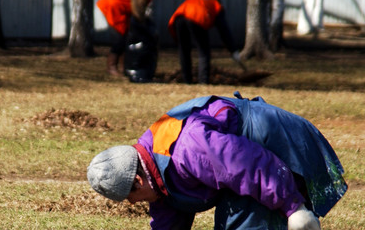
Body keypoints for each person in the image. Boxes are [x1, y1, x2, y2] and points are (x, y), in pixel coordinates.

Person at [87, 91, 347, 230]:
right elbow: (170, 212)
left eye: (130, 196)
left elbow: (249, 166)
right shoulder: (153, 165)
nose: (132, 203)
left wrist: (294, 209)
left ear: (137, 179)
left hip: (276, 149)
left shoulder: (188, 148)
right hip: (248, 167)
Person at [97, 0, 169, 76]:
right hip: (114, 8)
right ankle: (111, 67)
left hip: (120, 9)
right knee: (120, 39)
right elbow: (138, 11)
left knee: (126, 38)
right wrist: (144, 26)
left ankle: (125, 67)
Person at [168, 0, 241, 84]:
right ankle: (203, 81)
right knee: (204, 51)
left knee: (184, 50)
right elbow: (223, 30)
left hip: (179, 18)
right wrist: (233, 50)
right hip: (197, 17)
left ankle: (187, 81)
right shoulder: (217, 5)